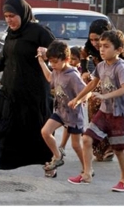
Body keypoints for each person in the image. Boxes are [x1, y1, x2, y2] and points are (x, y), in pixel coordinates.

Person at [0, 0, 55, 174]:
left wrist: (47, 53)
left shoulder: (39, 32)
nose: (9, 19)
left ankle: (50, 164)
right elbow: (7, 60)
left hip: (32, 95)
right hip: (9, 90)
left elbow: (58, 52)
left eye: (12, 15)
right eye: (6, 16)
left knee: (37, 133)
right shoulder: (11, 33)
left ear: (23, 14)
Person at [67, 30, 124, 192]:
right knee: (87, 139)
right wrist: (78, 98)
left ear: (118, 50)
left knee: (118, 149)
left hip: (118, 114)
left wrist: (105, 96)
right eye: (101, 46)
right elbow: (92, 84)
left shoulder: (120, 67)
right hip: (104, 112)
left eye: (106, 46)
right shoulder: (101, 66)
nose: (102, 50)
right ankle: (87, 174)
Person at [80, 19, 124, 162]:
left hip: (117, 85)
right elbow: (83, 55)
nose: (97, 44)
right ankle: (98, 147)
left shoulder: (121, 48)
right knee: (95, 109)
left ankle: (110, 148)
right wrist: (84, 70)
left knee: (113, 118)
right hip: (101, 81)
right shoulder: (90, 46)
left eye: (100, 41)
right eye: (93, 40)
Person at [37, 41, 86, 179]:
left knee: (76, 145)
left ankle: (87, 169)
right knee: (45, 132)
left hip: (74, 115)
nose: (52, 65)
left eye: (55, 62)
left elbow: (86, 92)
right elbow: (49, 77)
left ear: (66, 59)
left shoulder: (73, 75)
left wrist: (77, 100)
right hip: (60, 111)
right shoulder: (56, 71)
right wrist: (42, 62)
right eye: (50, 62)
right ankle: (58, 156)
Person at [58, 46, 83, 154]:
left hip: (75, 107)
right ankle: (62, 146)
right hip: (66, 105)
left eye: (75, 59)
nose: (72, 62)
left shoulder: (76, 73)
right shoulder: (65, 71)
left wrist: (78, 100)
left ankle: (86, 165)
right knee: (67, 126)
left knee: (75, 139)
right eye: (70, 59)